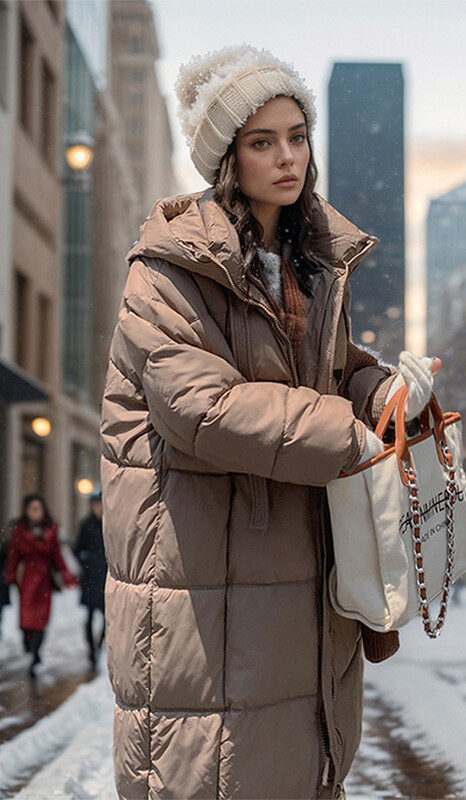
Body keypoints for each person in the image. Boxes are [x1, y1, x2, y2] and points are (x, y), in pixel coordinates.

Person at [100, 44, 435, 800]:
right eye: (262, 141)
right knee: (215, 768)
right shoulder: (166, 270)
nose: (287, 156)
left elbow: (328, 372)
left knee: (300, 762)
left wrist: (382, 389)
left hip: (295, 571)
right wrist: (354, 438)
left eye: (297, 136)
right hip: (202, 576)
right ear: (225, 157)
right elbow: (202, 408)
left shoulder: (308, 266)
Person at [3, 493, 77, 676]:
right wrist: (10, 574)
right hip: (26, 579)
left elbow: (57, 556)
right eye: (33, 509)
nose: (37, 513)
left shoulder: (50, 530)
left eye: (39, 509)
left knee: (41, 620)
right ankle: (28, 645)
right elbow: (13, 555)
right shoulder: (19, 531)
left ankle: (36, 655)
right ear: (26, 511)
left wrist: (66, 576)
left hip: (44, 580)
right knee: (27, 618)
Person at [73, 486, 107, 670]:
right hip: (89, 579)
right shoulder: (86, 525)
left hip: (104, 578)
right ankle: (91, 650)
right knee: (88, 618)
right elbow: (77, 549)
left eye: (100, 504)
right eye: (95, 504)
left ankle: (99, 647)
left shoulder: (110, 524)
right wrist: (86, 560)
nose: (98, 508)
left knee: (106, 619)